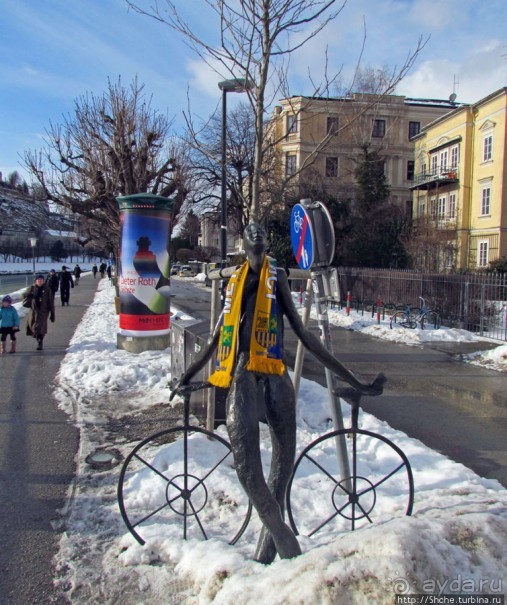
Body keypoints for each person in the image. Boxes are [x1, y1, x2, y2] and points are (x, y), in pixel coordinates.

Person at [171, 223, 384, 564]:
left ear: (267, 241)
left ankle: (264, 558)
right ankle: (289, 548)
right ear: (243, 243)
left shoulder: (278, 279)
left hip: (275, 376)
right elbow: (215, 339)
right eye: (250, 229)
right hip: (242, 377)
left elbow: (304, 334)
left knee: (280, 474)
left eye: (261, 230)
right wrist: (186, 375)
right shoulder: (233, 283)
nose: (256, 232)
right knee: (249, 471)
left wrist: (354, 379)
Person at [25, 274, 55, 350]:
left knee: (41, 328)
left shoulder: (47, 289)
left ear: (43, 280)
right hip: (33, 311)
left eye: (41, 280)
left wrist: (52, 313)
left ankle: (40, 342)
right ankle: (37, 338)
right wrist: (29, 294)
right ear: (35, 281)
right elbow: (23, 296)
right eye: (38, 280)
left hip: (43, 312)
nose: (40, 281)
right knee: (32, 327)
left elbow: (51, 301)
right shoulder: (32, 288)